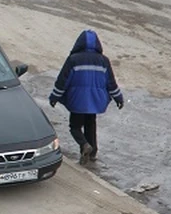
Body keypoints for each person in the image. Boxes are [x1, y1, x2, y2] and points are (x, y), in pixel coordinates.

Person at [48, 29, 124, 164]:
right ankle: (93, 153)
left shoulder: (73, 60)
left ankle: (84, 145)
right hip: (95, 100)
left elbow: (63, 81)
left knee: (75, 127)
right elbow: (111, 82)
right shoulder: (103, 61)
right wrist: (118, 98)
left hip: (77, 100)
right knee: (91, 124)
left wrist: (54, 97)